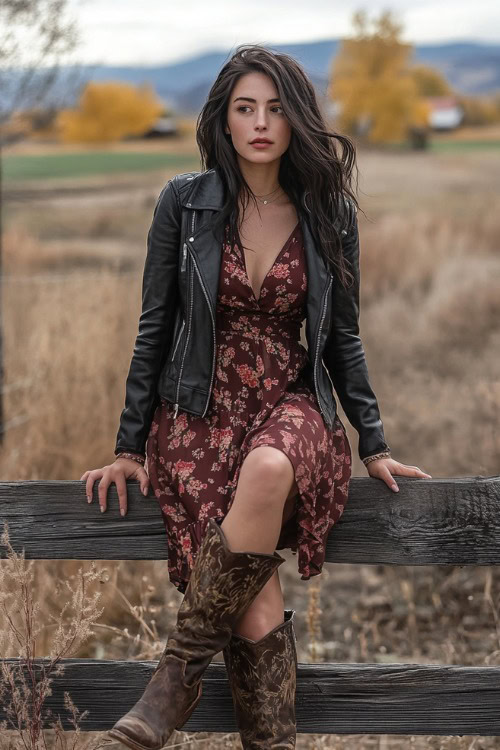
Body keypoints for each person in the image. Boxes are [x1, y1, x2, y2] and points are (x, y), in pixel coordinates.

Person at [80, 44, 432, 750]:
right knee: (256, 602)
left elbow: (344, 338)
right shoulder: (184, 204)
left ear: (297, 119)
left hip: (290, 403)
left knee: (270, 469)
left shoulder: (328, 212)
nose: (262, 122)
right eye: (246, 108)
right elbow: (155, 325)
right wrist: (127, 444)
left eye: (276, 108)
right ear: (225, 120)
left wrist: (375, 441)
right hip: (198, 414)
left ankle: (172, 681)